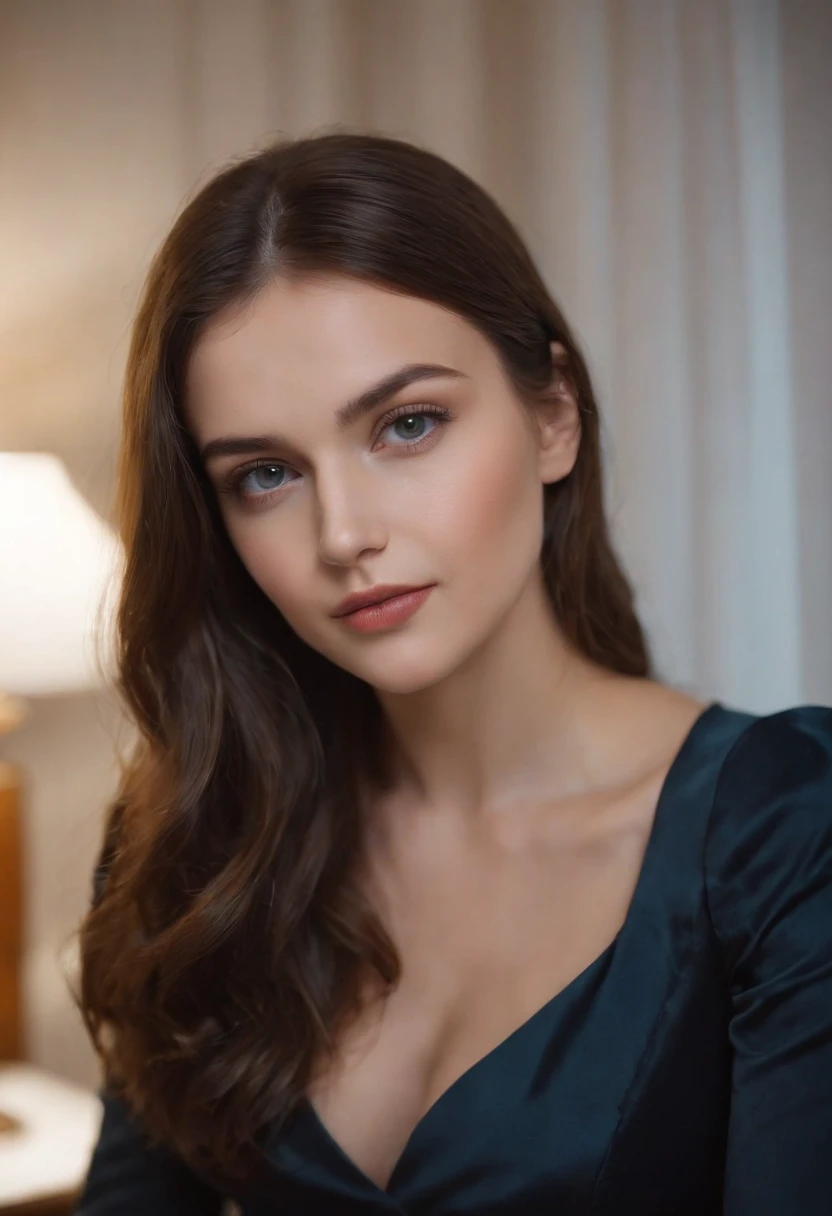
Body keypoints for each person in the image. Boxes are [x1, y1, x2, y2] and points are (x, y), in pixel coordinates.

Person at [72, 131, 832, 1215]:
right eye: (267, 474)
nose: (344, 532)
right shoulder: (200, 836)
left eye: (406, 424)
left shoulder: (785, 828)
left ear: (551, 414)